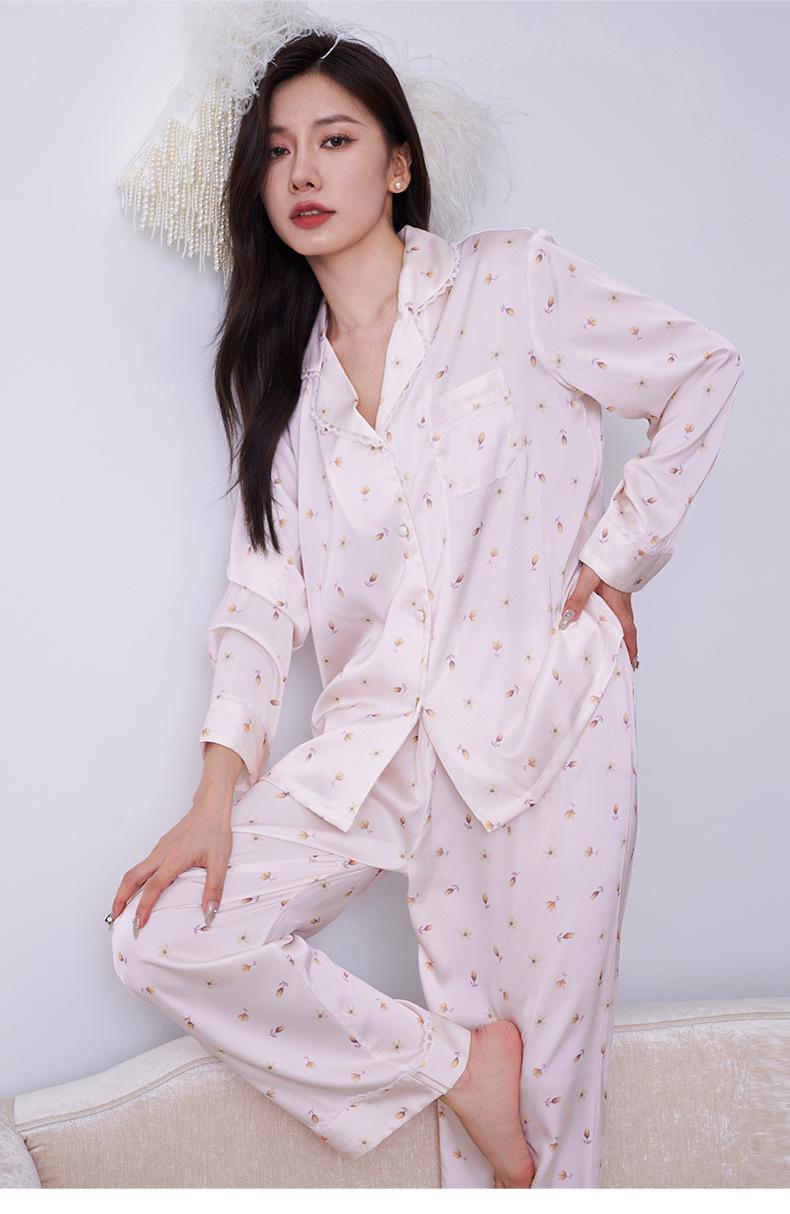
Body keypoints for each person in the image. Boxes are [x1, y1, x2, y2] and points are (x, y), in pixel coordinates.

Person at [106, 32, 744, 1189]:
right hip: (375, 746)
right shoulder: (283, 388)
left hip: (541, 731)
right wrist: (214, 794)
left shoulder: (513, 283)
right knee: (160, 934)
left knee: (540, 1127)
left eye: (334, 140)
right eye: (278, 151)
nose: (303, 172)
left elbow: (701, 370)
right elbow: (261, 597)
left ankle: (489, 1090)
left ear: (398, 163)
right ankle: (453, 1062)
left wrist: (616, 557)